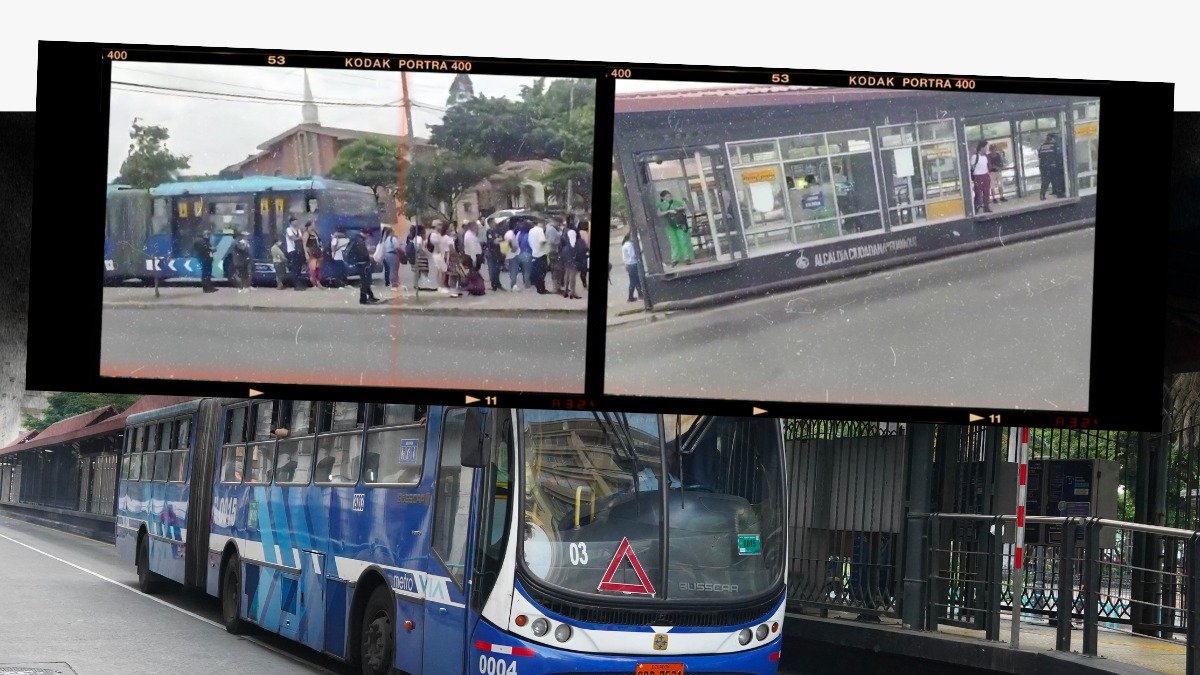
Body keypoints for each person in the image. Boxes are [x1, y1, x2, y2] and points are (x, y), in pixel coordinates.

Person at [657, 190, 692, 266]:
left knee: (683, 241)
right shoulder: (661, 205)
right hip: (669, 225)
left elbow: (685, 208)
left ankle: (686, 257)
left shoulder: (676, 202)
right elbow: (659, 214)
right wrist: (668, 211)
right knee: (673, 242)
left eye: (670, 196)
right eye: (666, 197)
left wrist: (679, 209)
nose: (669, 198)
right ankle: (675, 258)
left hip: (679, 224)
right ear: (662, 198)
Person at [344, 228, 379, 305]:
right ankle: (363, 299)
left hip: (360, 263)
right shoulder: (359, 240)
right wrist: (368, 258)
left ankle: (370, 296)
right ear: (366, 234)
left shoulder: (357, 239)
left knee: (366, 281)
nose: (368, 237)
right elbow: (363, 253)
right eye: (368, 235)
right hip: (363, 263)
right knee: (364, 282)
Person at [560, 224, 586, 300]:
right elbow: (581, 251)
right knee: (572, 276)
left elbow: (561, 246)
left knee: (567, 274)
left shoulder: (565, 234)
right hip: (573, 257)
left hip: (566, 254)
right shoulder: (577, 238)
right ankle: (572, 292)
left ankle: (565, 291)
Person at [1038, 133, 1065, 199]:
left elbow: (1040, 156)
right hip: (1052, 166)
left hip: (1043, 166)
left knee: (1045, 181)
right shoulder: (1054, 145)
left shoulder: (1042, 146)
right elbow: (1058, 155)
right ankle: (1059, 194)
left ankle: (1042, 195)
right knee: (1056, 180)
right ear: (1051, 139)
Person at [969, 140, 992, 214]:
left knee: (986, 193)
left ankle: (986, 206)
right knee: (978, 193)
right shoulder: (974, 157)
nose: (987, 149)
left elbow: (988, 166)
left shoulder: (986, 157)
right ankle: (977, 207)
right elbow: (972, 167)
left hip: (985, 176)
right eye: (986, 147)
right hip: (978, 176)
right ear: (982, 147)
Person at [528, 218, 550, 294]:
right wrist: (546, 242)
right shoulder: (540, 230)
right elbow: (542, 241)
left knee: (537, 272)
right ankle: (541, 289)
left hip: (534, 253)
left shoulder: (531, 230)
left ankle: (538, 287)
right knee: (542, 273)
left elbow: (529, 242)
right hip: (541, 253)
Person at [284, 217, 306, 290]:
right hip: (292, 250)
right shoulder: (288, 229)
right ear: (291, 222)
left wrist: (298, 238)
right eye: (295, 221)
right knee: (295, 267)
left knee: (299, 267)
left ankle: (299, 283)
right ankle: (295, 284)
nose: (296, 222)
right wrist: (299, 238)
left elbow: (300, 238)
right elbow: (292, 238)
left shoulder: (298, 230)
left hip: (299, 250)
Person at [484, 219, 505, 292]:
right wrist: (497, 240)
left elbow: (502, 239)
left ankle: (498, 283)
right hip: (492, 252)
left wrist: (499, 240)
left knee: (498, 269)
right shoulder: (489, 231)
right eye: (493, 222)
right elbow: (492, 241)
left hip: (498, 252)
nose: (495, 223)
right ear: (490, 223)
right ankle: (494, 285)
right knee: (493, 269)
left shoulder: (498, 230)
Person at [303, 222, 326, 289]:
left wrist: (321, 248)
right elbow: (304, 245)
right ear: (309, 225)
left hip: (318, 251)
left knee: (318, 268)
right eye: (313, 224)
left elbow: (319, 242)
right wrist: (306, 253)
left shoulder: (315, 232)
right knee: (313, 268)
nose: (314, 225)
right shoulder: (306, 233)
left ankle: (318, 282)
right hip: (311, 252)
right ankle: (314, 284)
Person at [504, 219, 525, 291]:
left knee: (513, 270)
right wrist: (513, 247)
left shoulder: (509, 233)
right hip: (513, 254)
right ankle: (513, 286)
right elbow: (509, 241)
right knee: (514, 270)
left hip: (511, 254)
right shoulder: (510, 233)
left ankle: (513, 285)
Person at [380, 226, 401, 291]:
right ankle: (394, 285)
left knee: (389, 270)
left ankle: (391, 282)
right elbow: (397, 247)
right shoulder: (393, 238)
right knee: (393, 270)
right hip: (392, 254)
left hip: (386, 255)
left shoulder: (385, 239)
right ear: (391, 232)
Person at [622, 234, 641, 303]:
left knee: (633, 281)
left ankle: (630, 297)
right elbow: (633, 255)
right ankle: (641, 296)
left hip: (629, 265)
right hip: (633, 264)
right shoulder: (629, 245)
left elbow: (624, 257)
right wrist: (640, 252)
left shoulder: (625, 244)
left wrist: (626, 265)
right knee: (637, 281)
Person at [578, 221, 592, 288]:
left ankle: (584, 282)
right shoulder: (585, 233)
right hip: (584, 252)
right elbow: (587, 243)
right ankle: (585, 282)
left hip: (578, 252)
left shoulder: (577, 232)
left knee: (582, 269)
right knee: (585, 268)